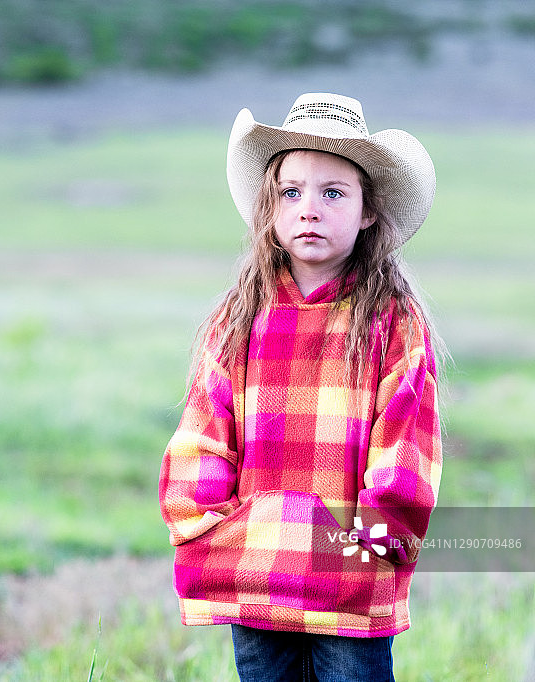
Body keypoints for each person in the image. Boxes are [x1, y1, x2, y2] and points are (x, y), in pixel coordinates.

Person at [158, 93, 445, 682]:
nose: (309, 209)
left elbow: (405, 452)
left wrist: (370, 546)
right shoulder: (239, 316)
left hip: (350, 587)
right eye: (291, 191)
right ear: (270, 206)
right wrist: (209, 524)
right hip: (255, 569)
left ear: (368, 211)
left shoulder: (393, 322)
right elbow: (203, 434)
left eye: (332, 192)